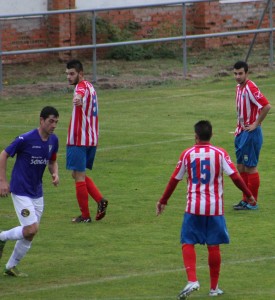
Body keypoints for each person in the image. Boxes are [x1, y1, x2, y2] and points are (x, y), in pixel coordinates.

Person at [156, 120, 255, 299]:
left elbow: (174, 179)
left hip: (193, 207)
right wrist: (248, 194)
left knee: (188, 241)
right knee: (213, 246)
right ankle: (213, 288)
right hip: (215, 208)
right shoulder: (220, 153)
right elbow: (235, 177)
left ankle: (192, 279)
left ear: (196, 136)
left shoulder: (187, 154)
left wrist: (163, 200)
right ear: (211, 135)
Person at [0, 106, 59, 277]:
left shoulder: (53, 141)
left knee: (30, 234)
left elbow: (52, 162)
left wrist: (55, 173)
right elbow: (3, 155)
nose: (53, 125)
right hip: (20, 190)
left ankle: (10, 267)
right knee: (32, 228)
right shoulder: (25, 139)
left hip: (37, 192)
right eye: (50, 121)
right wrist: (3, 181)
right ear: (41, 121)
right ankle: (2, 237)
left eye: (56, 122)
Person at [65, 59, 108, 223]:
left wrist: (77, 99)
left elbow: (79, 95)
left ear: (80, 74)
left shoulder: (81, 86)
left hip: (78, 139)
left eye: (72, 74)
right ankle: (100, 200)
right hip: (91, 138)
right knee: (76, 174)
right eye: (67, 74)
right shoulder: (91, 86)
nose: (69, 77)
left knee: (79, 176)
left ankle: (85, 216)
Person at [232, 61, 271, 210]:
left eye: (240, 73)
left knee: (250, 167)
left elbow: (266, 106)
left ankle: (253, 203)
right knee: (241, 167)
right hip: (241, 132)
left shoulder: (250, 87)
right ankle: (246, 199)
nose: (237, 76)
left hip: (251, 133)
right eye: (235, 73)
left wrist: (255, 124)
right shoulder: (238, 88)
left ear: (247, 73)